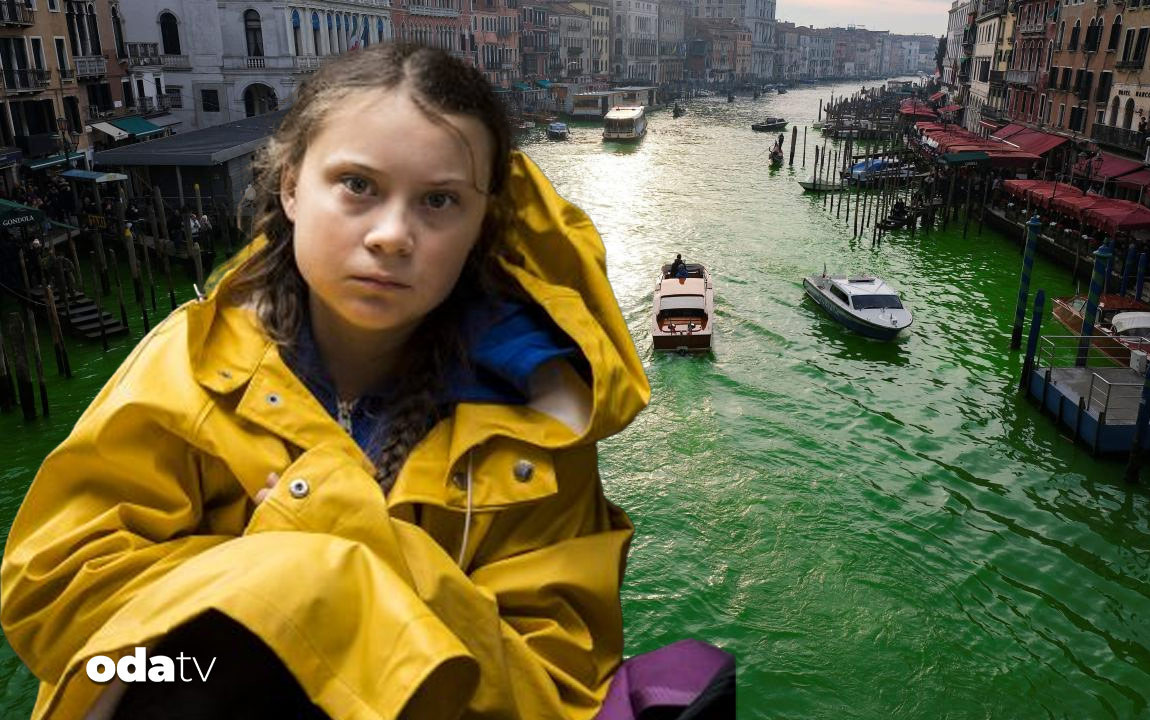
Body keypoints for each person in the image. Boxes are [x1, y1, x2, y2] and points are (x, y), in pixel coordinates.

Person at [0, 44, 727, 720]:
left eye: (439, 201)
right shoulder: (187, 366)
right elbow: (55, 598)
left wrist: (341, 544)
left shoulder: (540, 420)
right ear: (290, 187)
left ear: (482, 224)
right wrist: (315, 578)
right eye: (357, 185)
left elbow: (552, 691)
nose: (391, 234)